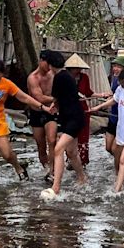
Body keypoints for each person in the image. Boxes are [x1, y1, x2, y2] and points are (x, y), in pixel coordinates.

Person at [41, 50, 87, 196]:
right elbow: (62, 99)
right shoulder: (66, 76)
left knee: (58, 149)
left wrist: (52, 106)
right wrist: (56, 106)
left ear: (50, 64)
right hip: (70, 117)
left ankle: (56, 187)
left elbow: (55, 98)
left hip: (73, 118)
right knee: (72, 152)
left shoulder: (60, 77)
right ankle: (82, 178)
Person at [65, 53, 111, 168]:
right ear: (69, 69)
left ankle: (83, 161)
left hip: (83, 110)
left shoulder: (84, 77)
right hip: (69, 111)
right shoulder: (64, 79)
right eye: (75, 68)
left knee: (83, 137)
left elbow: (89, 93)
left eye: (79, 68)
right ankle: (71, 159)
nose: (77, 70)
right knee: (70, 137)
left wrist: (102, 95)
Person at [27, 50, 57, 180]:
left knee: (52, 140)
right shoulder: (33, 78)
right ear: (41, 61)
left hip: (50, 112)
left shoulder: (53, 74)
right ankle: (45, 167)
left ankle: (53, 170)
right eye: (47, 63)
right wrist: (56, 98)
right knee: (41, 144)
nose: (49, 67)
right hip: (36, 112)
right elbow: (38, 97)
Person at [105, 56, 124, 172]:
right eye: (114, 66)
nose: (115, 69)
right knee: (108, 148)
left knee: (115, 149)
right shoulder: (114, 79)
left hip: (122, 120)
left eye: (118, 67)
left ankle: (120, 173)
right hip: (113, 117)